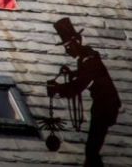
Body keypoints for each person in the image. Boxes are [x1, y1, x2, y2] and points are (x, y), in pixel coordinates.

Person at [47, 18, 121, 167]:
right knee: (92, 149)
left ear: (77, 42)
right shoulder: (86, 58)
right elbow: (83, 75)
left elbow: (80, 84)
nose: (67, 50)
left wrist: (59, 89)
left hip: (106, 106)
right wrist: (72, 73)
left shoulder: (89, 59)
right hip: (102, 105)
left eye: (68, 46)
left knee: (91, 150)